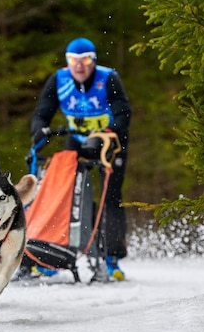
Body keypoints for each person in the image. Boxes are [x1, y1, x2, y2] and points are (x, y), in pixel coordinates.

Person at [31, 37, 131, 281]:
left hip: (109, 142)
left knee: (111, 197)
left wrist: (108, 133)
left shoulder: (107, 78)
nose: (79, 66)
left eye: (85, 60)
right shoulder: (59, 79)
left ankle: (112, 258)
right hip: (76, 141)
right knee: (63, 193)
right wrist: (40, 130)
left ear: (93, 60)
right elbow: (41, 113)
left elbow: (123, 113)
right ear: (67, 62)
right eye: (73, 61)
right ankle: (53, 252)